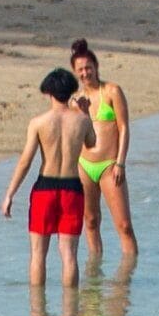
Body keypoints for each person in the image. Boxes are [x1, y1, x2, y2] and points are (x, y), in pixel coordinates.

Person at [0, 67, 96, 290]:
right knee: (69, 255)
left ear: (48, 93)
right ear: (70, 92)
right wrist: (86, 113)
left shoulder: (39, 122)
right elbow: (91, 144)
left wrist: (9, 194)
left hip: (46, 187)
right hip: (72, 188)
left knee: (38, 254)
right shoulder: (81, 121)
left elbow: (25, 161)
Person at [68, 39, 135, 265]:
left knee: (124, 225)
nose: (85, 73)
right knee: (91, 221)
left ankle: (127, 281)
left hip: (109, 165)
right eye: (80, 70)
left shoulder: (111, 91)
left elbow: (124, 127)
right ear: (75, 73)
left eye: (88, 67)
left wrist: (120, 162)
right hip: (84, 166)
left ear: (96, 66)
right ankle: (95, 277)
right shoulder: (75, 100)